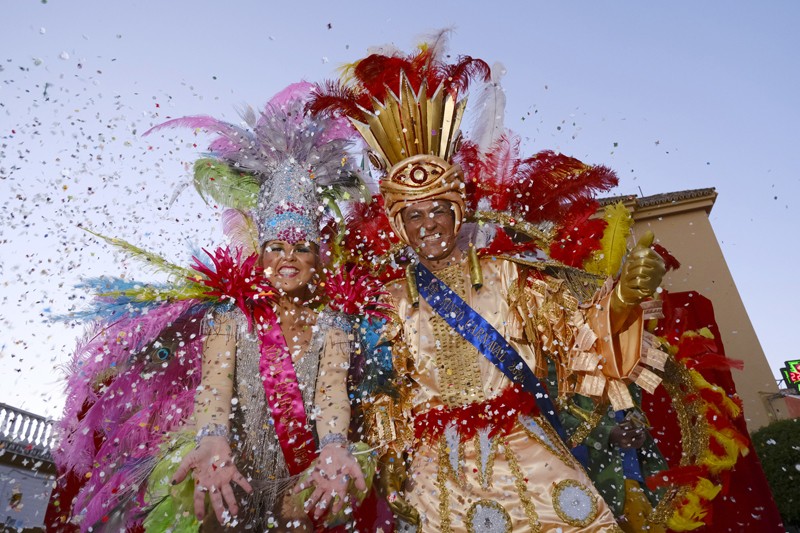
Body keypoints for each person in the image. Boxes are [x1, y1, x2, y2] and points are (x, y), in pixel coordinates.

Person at [309, 39, 667, 532]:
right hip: (439, 469)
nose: (428, 223)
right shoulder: (386, 304)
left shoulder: (510, 275)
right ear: (399, 226)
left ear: (459, 212)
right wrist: (387, 424)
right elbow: (371, 384)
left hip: (529, 448)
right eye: (414, 215)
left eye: (438, 209)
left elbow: (580, 338)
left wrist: (625, 298)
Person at [52, 84, 382, 533]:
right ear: (261, 255)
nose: (288, 257)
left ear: (317, 258)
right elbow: (214, 388)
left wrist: (336, 444)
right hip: (231, 460)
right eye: (276, 246)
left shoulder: (335, 324)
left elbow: (331, 395)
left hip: (301, 471)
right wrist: (212, 439)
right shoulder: (230, 316)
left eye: (302, 247)